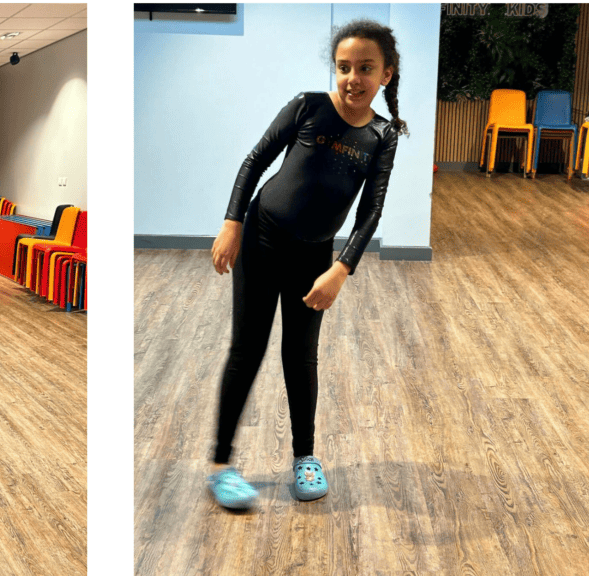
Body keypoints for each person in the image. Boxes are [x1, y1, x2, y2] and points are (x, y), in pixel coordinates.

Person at [207, 19, 408, 508]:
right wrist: (232, 223)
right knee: (248, 348)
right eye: (344, 67)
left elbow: (371, 211)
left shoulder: (382, 135)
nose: (353, 78)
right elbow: (255, 161)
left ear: (386, 74)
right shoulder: (308, 106)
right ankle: (220, 465)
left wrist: (341, 269)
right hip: (261, 238)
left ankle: (305, 458)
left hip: (315, 255)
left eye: (366, 68)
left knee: (301, 356)